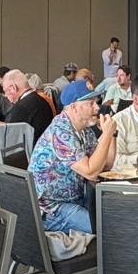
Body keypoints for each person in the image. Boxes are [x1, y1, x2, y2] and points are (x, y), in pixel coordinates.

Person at [28, 83, 117, 233]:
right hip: (52, 209)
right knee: (108, 230)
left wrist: (112, 134)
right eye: (91, 103)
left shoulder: (84, 129)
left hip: (76, 199)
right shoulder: (61, 131)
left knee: (118, 217)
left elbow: (106, 165)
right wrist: (107, 134)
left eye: (96, 102)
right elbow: (91, 172)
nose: (97, 108)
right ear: (74, 107)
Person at [1, 69, 53, 142]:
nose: (6, 95)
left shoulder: (21, 107)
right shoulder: (42, 101)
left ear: (13, 88)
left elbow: (10, 137)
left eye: (5, 91)